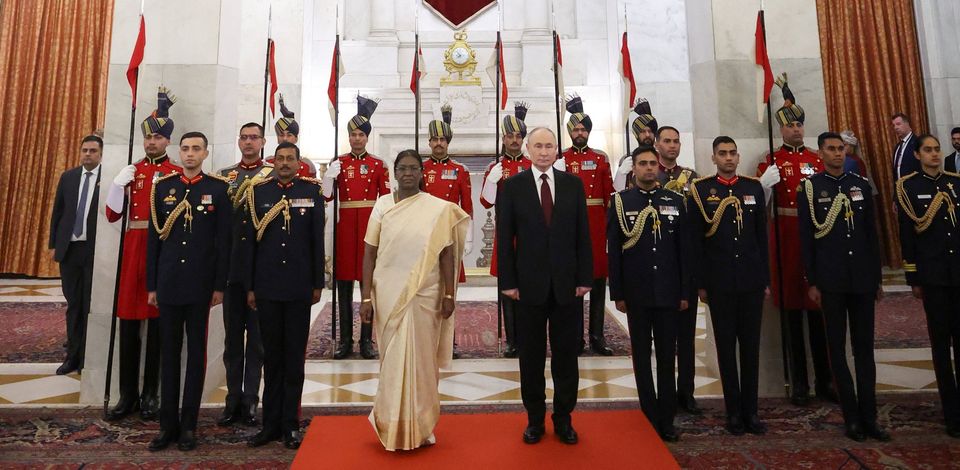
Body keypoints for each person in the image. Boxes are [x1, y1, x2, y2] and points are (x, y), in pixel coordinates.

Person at [361, 149, 469, 451]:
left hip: (427, 293)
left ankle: (421, 425)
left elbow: (447, 253)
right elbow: (369, 252)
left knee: (423, 362)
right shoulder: (382, 205)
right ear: (394, 173)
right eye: (402, 168)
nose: (408, 173)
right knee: (392, 361)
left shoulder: (437, 209)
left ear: (422, 173)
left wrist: (449, 293)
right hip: (388, 293)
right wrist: (365, 298)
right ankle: (389, 423)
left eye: (413, 168)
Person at [498, 127, 592, 445]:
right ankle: (535, 419)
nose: (543, 151)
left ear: (556, 150)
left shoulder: (572, 185)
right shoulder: (512, 187)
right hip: (527, 287)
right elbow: (504, 239)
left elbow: (582, 235)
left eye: (549, 146)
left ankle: (564, 418)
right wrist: (508, 283)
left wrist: (584, 278)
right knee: (531, 357)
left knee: (567, 356)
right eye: (537, 146)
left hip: (567, 287)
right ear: (527, 149)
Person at [798, 132, 889, 443]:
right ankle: (851, 417)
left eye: (840, 149)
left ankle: (870, 416)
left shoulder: (860, 185)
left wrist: (877, 278)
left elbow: (870, 236)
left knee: (865, 350)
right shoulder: (810, 189)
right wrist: (813, 280)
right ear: (821, 153)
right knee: (837, 349)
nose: (837, 154)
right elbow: (807, 239)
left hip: (862, 279)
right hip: (831, 280)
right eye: (831, 149)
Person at [146, 132, 231, 451]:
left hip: (200, 286)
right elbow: (155, 240)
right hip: (168, 284)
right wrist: (152, 284)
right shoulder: (164, 187)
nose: (190, 154)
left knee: (196, 357)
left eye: (196, 149)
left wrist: (219, 286)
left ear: (206, 153)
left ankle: (189, 427)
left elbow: (224, 242)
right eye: (185, 149)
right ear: (178, 152)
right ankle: (167, 426)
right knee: (169, 356)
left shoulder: (217, 190)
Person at [756, 74, 834, 406]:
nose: (796, 129)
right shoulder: (772, 161)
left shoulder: (818, 160)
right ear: (782, 129)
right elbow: (760, 207)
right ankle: (798, 380)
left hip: (814, 239)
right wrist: (764, 186)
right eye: (790, 126)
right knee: (791, 316)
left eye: (800, 124)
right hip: (785, 240)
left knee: (819, 316)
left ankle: (824, 381)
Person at [104, 87, 181, 421]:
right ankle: (127, 394)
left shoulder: (177, 173)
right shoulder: (132, 171)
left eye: (157, 138)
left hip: (161, 250)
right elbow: (111, 215)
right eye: (148, 138)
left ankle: (151, 393)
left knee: (158, 324)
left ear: (167, 141)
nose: (151, 143)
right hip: (134, 249)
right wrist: (116, 186)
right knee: (128, 323)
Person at [608, 145, 691, 442]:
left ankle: (667, 418)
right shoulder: (620, 203)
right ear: (634, 169)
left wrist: (684, 292)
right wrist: (617, 292)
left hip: (669, 293)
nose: (648, 168)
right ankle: (648, 415)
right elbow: (614, 253)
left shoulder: (675, 200)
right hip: (637, 293)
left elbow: (684, 252)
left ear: (658, 166)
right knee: (641, 358)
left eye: (652, 163)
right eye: (642, 163)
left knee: (668, 358)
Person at [245, 142, 325, 450]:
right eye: (280, 159)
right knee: (271, 358)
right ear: (273, 162)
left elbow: (317, 241)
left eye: (290, 159)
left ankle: (290, 424)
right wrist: (251, 286)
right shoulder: (259, 193)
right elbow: (251, 245)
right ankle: (270, 424)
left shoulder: (312, 192)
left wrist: (317, 282)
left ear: (298, 163)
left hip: (298, 287)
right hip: (266, 288)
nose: (285, 163)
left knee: (293, 359)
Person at [690, 136, 768, 436]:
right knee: (725, 349)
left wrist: (765, 280)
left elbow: (761, 238)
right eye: (722, 153)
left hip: (750, 281)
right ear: (713, 158)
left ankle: (752, 412)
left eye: (733, 153)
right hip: (719, 282)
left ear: (738, 156)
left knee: (750, 350)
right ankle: (733, 412)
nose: (728, 158)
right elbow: (696, 242)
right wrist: (701, 284)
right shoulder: (701, 190)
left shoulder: (752, 188)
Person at [896, 134, 960, 438]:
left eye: (937, 150)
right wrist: (913, 277)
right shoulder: (908, 187)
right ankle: (952, 413)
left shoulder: (956, 182)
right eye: (928, 150)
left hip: (958, 273)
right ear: (918, 155)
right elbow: (908, 235)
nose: (935, 155)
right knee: (940, 343)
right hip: (933, 277)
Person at [323, 96, 390, 360]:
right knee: (343, 286)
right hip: (346, 228)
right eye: (352, 134)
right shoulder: (338, 162)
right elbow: (327, 196)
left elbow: (385, 199)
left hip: (369, 227)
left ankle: (365, 340)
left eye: (361, 134)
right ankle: (344, 340)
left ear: (367, 137)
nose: (356, 139)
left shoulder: (377, 165)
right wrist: (329, 176)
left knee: (368, 286)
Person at [215, 122, 273, 427]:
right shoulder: (225, 176)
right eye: (244, 137)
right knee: (232, 342)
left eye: (254, 138)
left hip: (261, 273)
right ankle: (232, 399)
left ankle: (251, 399)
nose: (248, 142)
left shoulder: (272, 176)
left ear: (263, 142)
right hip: (233, 271)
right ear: (238, 141)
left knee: (258, 343)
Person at [559, 95, 615, 356]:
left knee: (597, 283)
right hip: (569, 224)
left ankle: (597, 335)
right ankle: (576, 337)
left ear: (589, 132)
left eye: (583, 129)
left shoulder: (600, 159)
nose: (579, 133)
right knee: (574, 285)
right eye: (575, 129)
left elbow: (608, 197)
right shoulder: (562, 159)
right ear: (570, 132)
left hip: (595, 225)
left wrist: (607, 229)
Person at [480, 102, 532, 358]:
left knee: (530, 286)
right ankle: (512, 339)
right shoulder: (495, 167)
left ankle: (527, 335)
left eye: (518, 136)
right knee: (508, 287)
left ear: (523, 139)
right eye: (509, 135)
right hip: (506, 234)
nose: (514, 140)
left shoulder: (533, 165)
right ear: (503, 138)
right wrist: (491, 181)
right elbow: (486, 202)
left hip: (530, 236)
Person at [49, 134, 102, 375]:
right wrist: (54, 243)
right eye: (85, 150)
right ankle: (72, 355)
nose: (88, 154)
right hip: (70, 250)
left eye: (92, 150)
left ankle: (89, 358)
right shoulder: (68, 177)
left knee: (90, 304)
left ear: (101, 154)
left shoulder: (107, 178)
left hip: (94, 251)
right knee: (74, 305)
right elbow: (58, 212)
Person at [422, 104, 473, 358]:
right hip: (425, 238)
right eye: (435, 139)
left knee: (449, 291)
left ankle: (448, 340)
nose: (439, 143)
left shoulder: (460, 170)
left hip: (450, 238)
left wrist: (469, 235)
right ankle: (427, 337)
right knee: (427, 289)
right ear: (429, 142)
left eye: (443, 139)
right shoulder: (420, 170)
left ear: (448, 142)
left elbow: (468, 207)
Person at [266, 93, 317, 178]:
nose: (285, 138)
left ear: (296, 138)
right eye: (281, 135)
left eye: (289, 135)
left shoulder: (307, 165)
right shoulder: (267, 163)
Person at [614, 98, 658, 191]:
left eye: (650, 131)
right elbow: (619, 192)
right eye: (643, 131)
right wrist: (620, 174)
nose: (647, 135)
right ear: (636, 135)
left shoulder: (661, 156)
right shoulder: (627, 159)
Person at [890, 112, 919, 183]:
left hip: (915, 190)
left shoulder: (918, 142)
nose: (895, 127)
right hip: (900, 191)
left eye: (898, 124)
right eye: (894, 125)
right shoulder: (897, 147)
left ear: (907, 124)